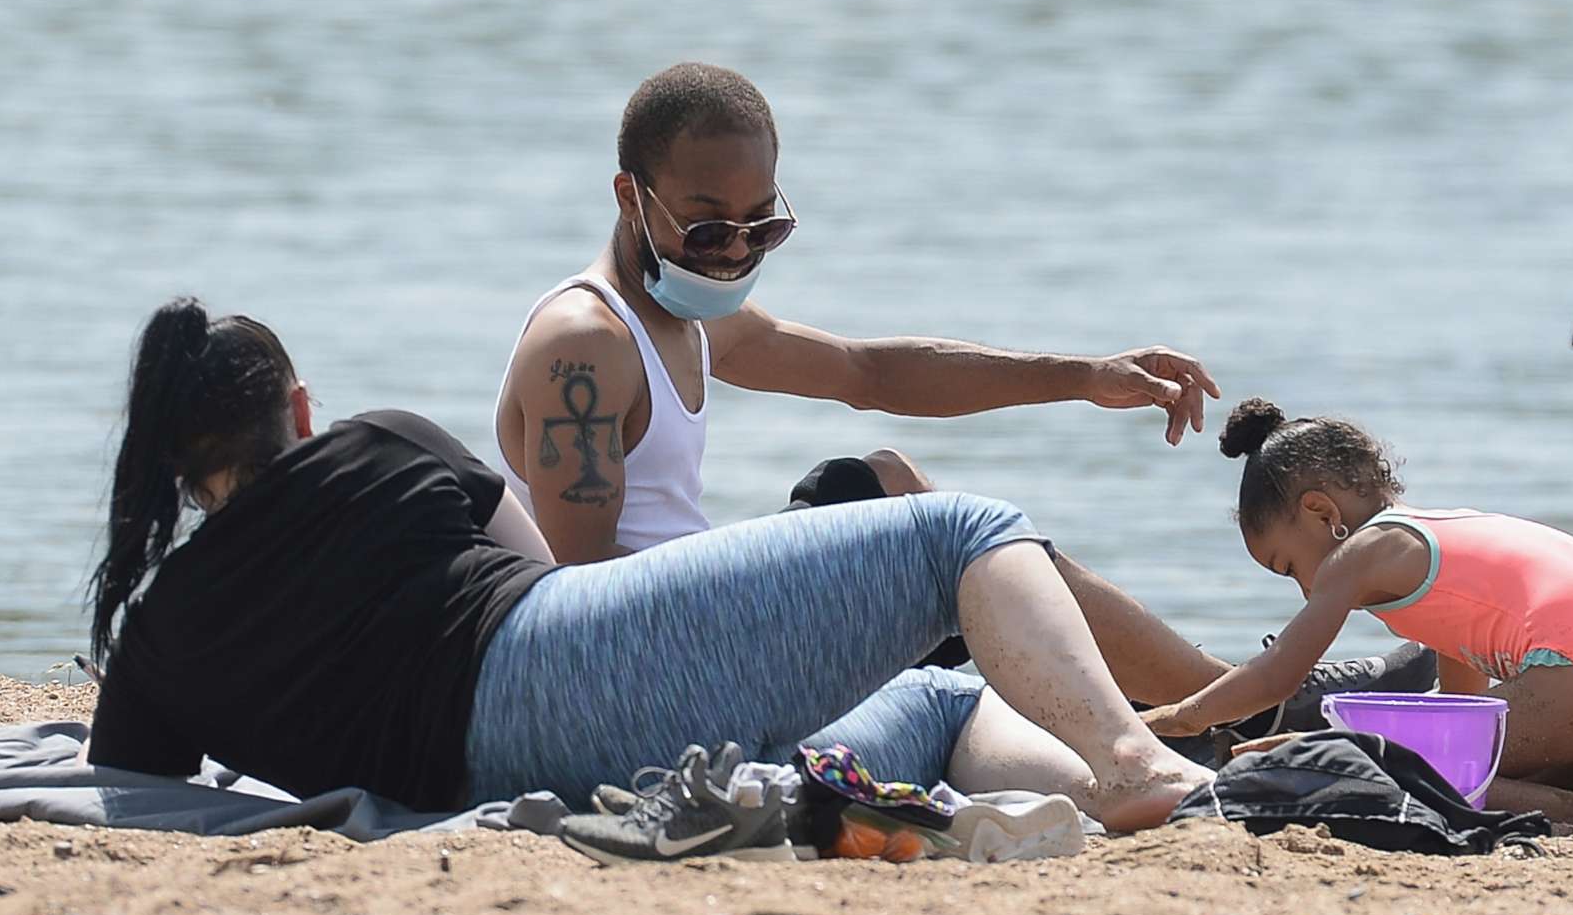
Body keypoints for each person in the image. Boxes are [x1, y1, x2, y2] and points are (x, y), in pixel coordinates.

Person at [81, 299, 1207, 859]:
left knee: (950, 695)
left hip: (490, 780)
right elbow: (543, 581)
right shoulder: (376, 443)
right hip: (552, 670)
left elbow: (144, 792)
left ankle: (1056, 808)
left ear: (178, 469)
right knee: (952, 529)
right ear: (298, 412)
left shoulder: (158, 635)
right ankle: (1127, 763)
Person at [490, 62, 1222, 566]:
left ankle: (1200, 695)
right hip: (666, 654)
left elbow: (869, 372)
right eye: (709, 228)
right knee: (939, 528)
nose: (735, 253)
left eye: (762, 227)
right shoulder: (586, 345)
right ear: (630, 197)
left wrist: (1085, 375)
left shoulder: (693, 322)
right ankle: (1208, 702)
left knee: (890, 484)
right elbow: (585, 606)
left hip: (700, 608)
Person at [1135, 401, 1573, 828]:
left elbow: (1280, 674)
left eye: (1287, 566)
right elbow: (1463, 702)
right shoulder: (1435, 541)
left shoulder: (1363, 554)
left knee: (1398, 769)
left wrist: (1180, 716)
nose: (1306, 589)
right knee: (1463, 774)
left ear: (1321, 511)